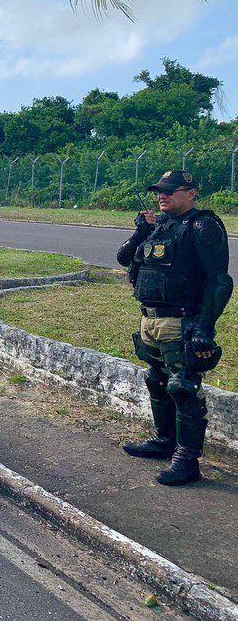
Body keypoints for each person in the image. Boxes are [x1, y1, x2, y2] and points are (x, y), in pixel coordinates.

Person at [117, 170, 232, 486]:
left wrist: (204, 328)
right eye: (159, 192)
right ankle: (163, 441)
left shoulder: (203, 225)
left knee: (183, 388)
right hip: (151, 319)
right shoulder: (159, 228)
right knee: (156, 380)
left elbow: (220, 282)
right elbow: (124, 258)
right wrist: (141, 232)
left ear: (191, 193)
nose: (162, 196)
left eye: (170, 191)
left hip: (183, 322)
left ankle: (187, 460)